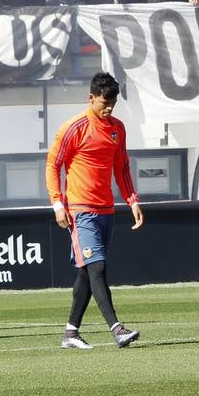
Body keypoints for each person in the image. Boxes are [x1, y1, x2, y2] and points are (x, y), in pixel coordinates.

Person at [47, 72, 143, 349]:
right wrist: (57, 203)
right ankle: (117, 329)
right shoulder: (73, 128)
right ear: (91, 98)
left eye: (113, 102)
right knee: (97, 267)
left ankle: (70, 333)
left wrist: (132, 200)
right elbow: (53, 165)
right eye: (104, 102)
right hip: (80, 210)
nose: (109, 107)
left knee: (87, 274)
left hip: (106, 211)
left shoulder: (117, 128)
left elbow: (121, 167)